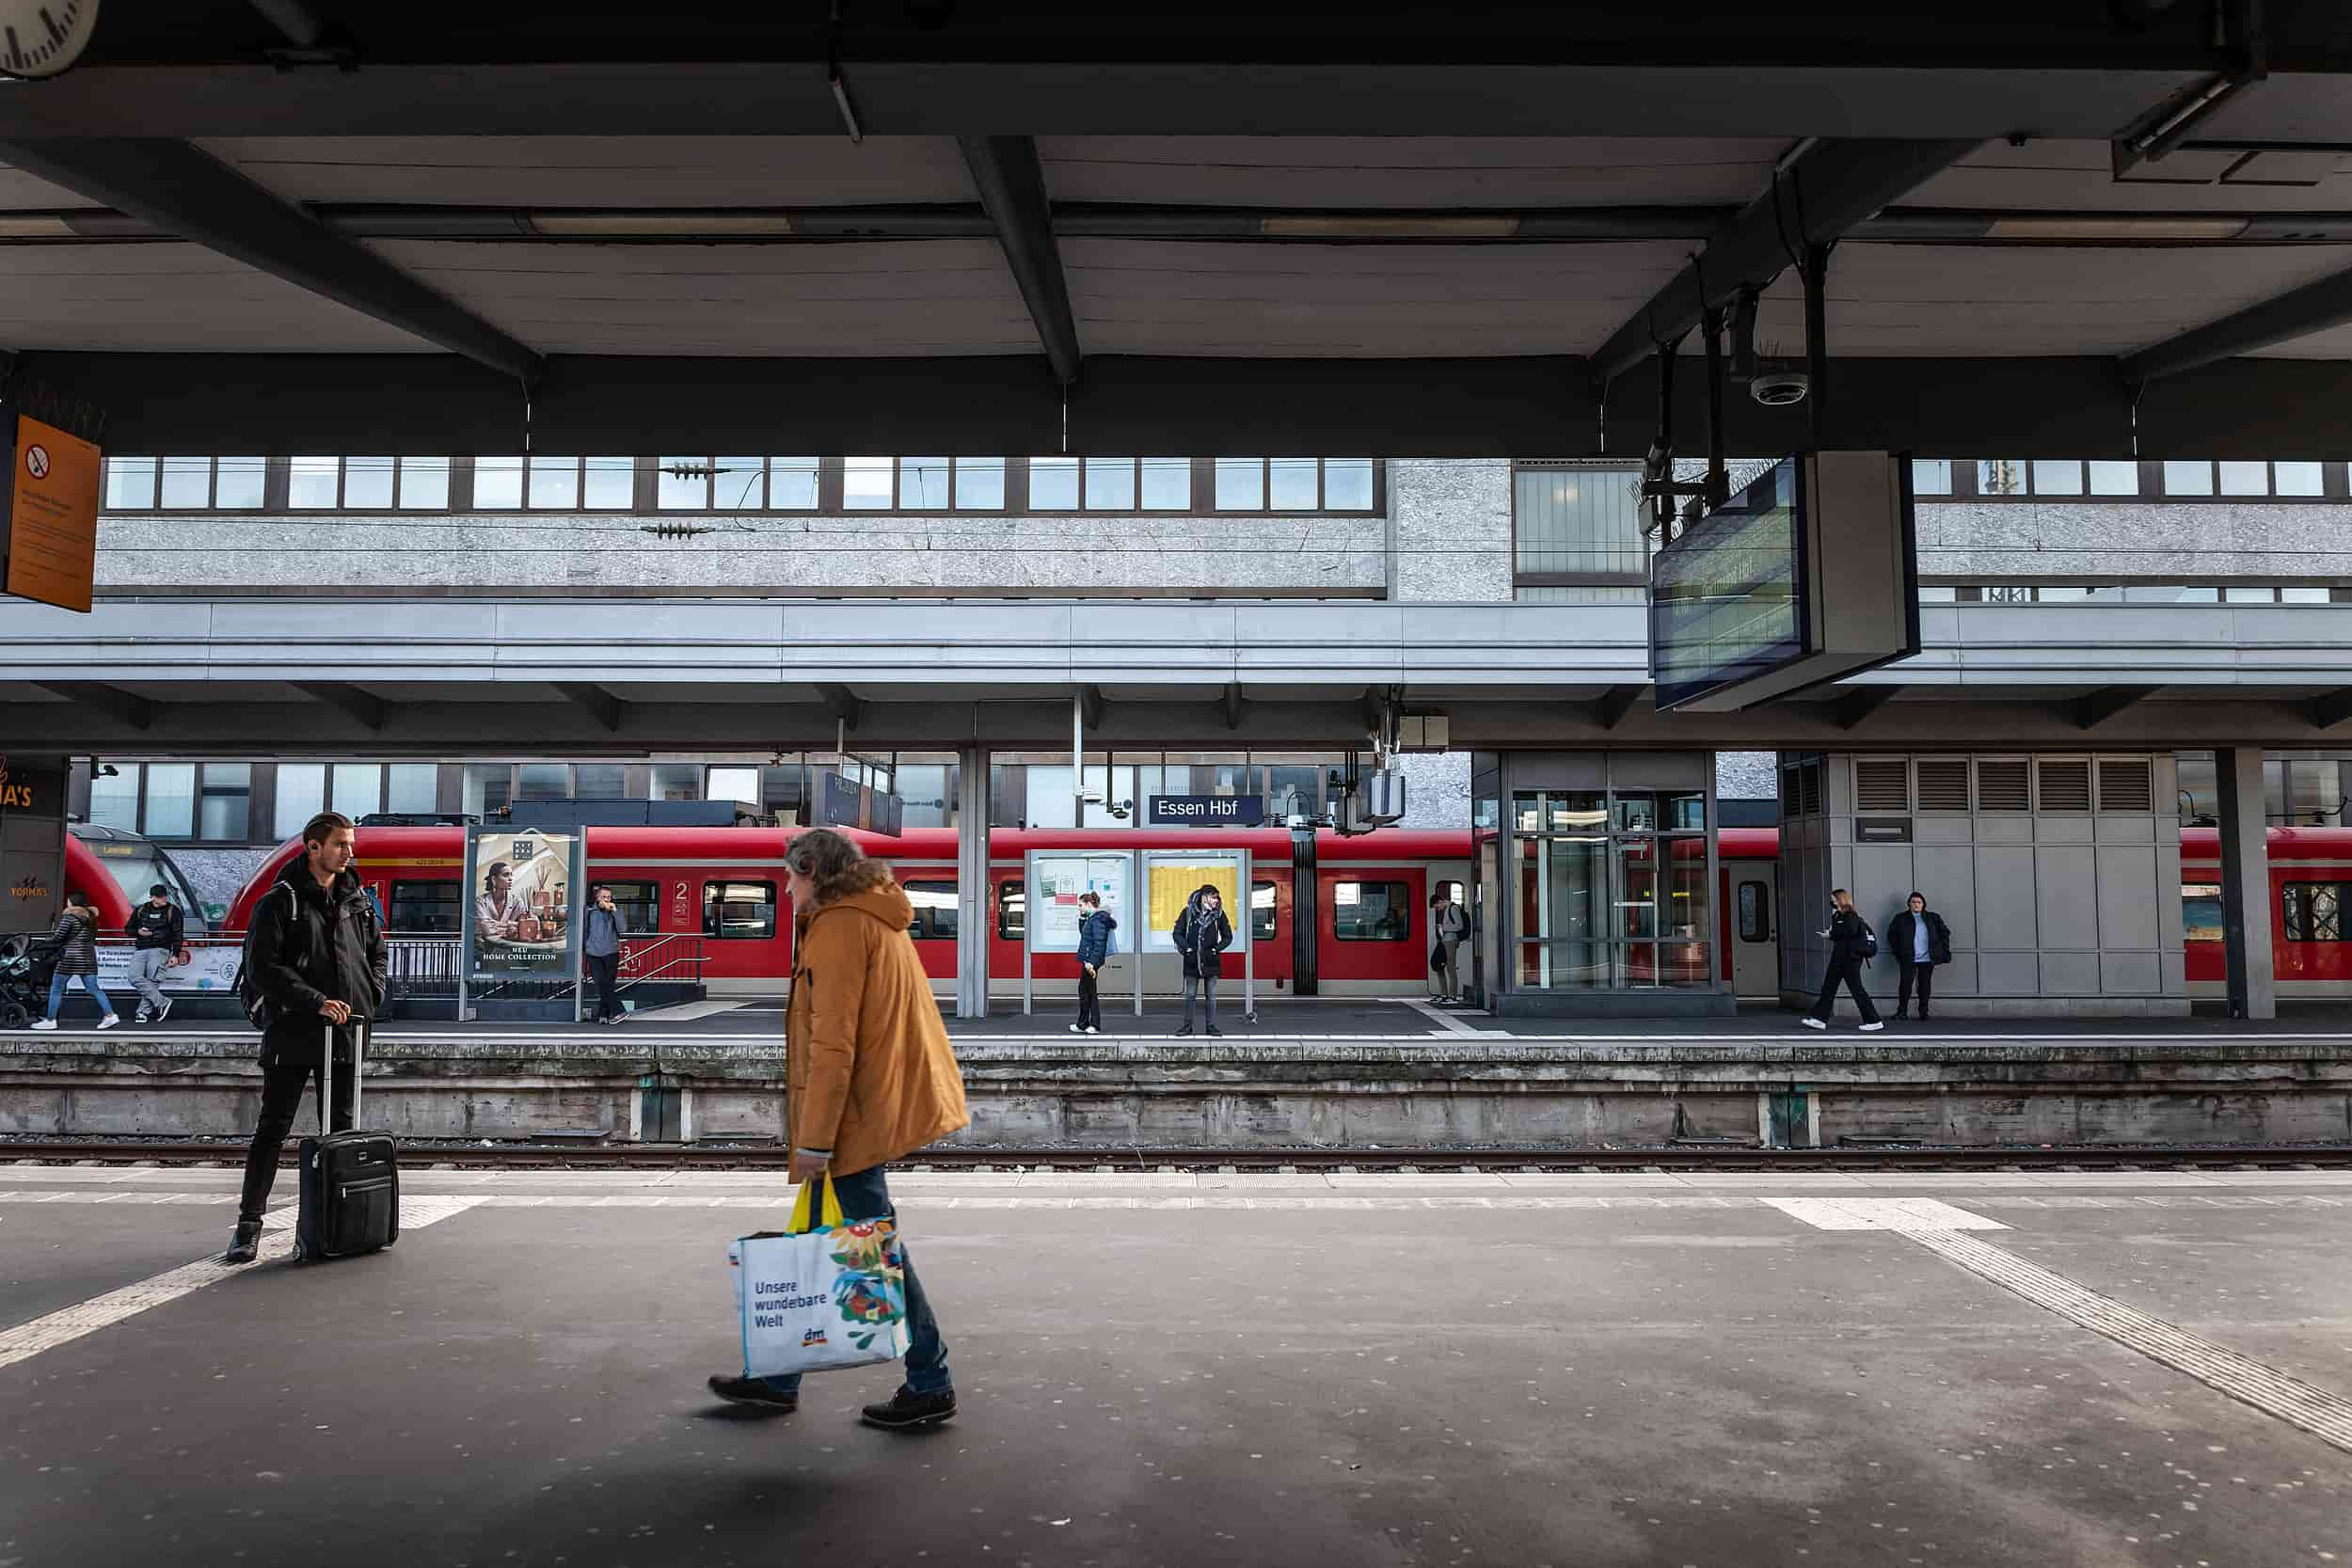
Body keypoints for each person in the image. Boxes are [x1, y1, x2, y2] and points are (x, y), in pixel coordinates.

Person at [707, 828, 968, 1431]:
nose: (786, 884)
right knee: (836, 1241)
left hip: (852, 1118)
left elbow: (833, 1046)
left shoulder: (839, 928)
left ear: (815, 872)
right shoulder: (872, 916)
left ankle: (931, 1382)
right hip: (866, 1107)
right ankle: (777, 1379)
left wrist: (815, 1140)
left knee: (874, 1253)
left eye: (792, 874)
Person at [224, 811, 388, 1264]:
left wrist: (371, 993)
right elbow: (263, 969)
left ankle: (339, 1223)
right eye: (340, 844)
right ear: (313, 847)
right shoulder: (280, 901)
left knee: (341, 1132)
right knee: (273, 1128)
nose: (349, 852)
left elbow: (377, 951)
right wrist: (314, 1000)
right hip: (294, 1029)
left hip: (348, 1031)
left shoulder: (358, 899)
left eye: (350, 844)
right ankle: (248, 1225)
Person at [30, 890, 119, 1031]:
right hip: (89, 958)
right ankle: (110, 1015)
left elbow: (58, 937)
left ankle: (51, 1020)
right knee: (93, 988)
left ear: (72, 903)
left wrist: (43, 942)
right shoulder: (91, 918)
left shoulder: (70, 917)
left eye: (68, 901)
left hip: (70, 958)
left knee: (56, 988)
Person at [1801, 887, 1883, 1032]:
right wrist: (1832, 934)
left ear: (1840, 899)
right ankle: (1819, 1019)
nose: (1831, 901)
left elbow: (1849, 932)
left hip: (1850, 958)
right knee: (1828, 988)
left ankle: (1874, 1020)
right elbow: (1842, 934)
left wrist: (1831, 935)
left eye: (1833, 898)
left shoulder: (1850, 915)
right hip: (1839, 957)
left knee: (1856, 989)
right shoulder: (1837, 915)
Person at [1171, 883, 1233, 1037]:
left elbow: (1228, 936)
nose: (1216, 901)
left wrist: (1216, 949)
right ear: (1204, 897)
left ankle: (1211, 1026)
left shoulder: (1219, 915)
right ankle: (1187, 1027)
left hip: (1211, 961)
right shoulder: (1187, 913)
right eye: (1213, 897)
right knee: (1190, 996)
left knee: (1211, 997)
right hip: (1192, 961)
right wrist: (1188, 949)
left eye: (1217, 898)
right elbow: (1177, 933)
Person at [124, 882, 186, 1024]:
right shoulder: (141, 910)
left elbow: (178, 934)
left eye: (164, 896)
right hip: (141, 947)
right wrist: (138, 932)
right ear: (152, 897)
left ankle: (142, 1012)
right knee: (133, 977)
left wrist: (175, 954)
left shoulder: (173, 911)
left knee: (153, 980)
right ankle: (162, 1002)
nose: (164, 899)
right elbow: (128, 929)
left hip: (161, 949)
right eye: (160, 897)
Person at [1886, 891, 1953, 1022]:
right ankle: (1902, 1012)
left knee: (1924, 985)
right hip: (1908, 958)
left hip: (1927, 958)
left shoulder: (1933, 917)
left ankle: (1923, 1012)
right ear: (1909, 904)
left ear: (1923, 904)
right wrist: (1898, 952)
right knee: (1905, 985)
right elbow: (1891, 936)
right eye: (1913, 902)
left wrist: (1941, 949)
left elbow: (1945, 933)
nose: (1916, 904)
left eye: (1919, 902)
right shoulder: (1900, 918)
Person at [1071, 891, 1116, 1036]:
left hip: (1091, 961)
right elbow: (1084, 934)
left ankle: (1094, 1024)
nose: (1079, 908)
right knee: (1084, 991)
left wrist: (1091, 962)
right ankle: (1083, 1023)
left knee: (1090, 992)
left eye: (1081, 906)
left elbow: (1099, 943)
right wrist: (1082, 918)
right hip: (1088, 959)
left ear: (1089, 904)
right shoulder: (1093, 918)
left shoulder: (1098, 920)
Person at [582, 884, 629, 1024]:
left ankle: (605, 1014)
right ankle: (618, 1011)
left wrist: (615, 911)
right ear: (597, 897)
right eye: (604, 897)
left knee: (607, 984)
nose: (606, 900)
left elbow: (623, 928)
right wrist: (585, 947)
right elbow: (584, 929)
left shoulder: (614, 911)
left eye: (609, 897)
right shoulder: (589, 911)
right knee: (601, 983)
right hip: (593, 953)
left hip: (611, 952)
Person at [1429, 887, 1469, 1005]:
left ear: (1440, 902)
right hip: (1444, 940)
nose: (1438, 909)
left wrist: (1443, 928)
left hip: (1451, 941)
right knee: (1438, 965)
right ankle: (1444, 994)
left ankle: (1453, 996)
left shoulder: (1453, 908)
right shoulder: (1447, 909)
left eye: (1437, 907)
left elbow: (1459, 925)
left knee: (1450, 967)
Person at [474, 860, 526, 945]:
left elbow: (526, 926)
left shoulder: (517, 901)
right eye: (506, 875)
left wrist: (494, 925)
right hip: (483, 949)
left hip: (509, 949)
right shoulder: (480, 902)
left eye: (511, 875)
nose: (510, 879)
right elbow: (485, 929)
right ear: (494, 879)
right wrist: (512, 925)